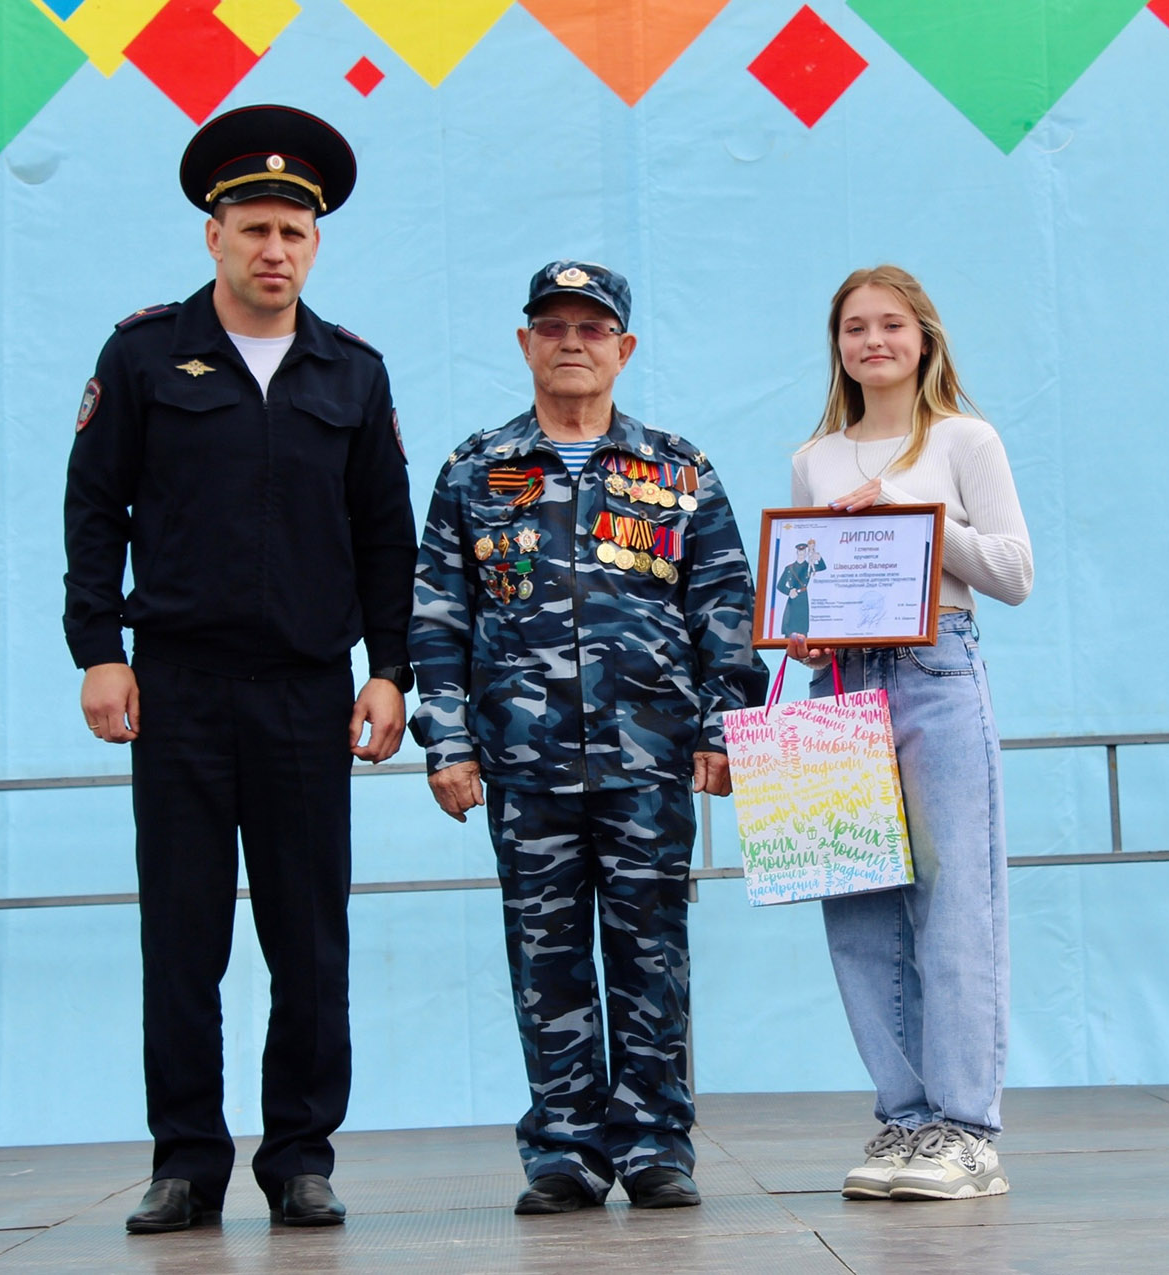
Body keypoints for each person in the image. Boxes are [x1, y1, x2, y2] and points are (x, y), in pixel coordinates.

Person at [62, 104, 415, 1232]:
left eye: (293, 233)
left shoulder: (351, 373)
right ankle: (187, 1162)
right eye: (254, 227)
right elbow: (92, 509)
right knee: (184, 934)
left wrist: (390, 669)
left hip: (307, 691)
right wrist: (98, 654)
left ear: (316, 246)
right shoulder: (144, 353)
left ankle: (300, 1156)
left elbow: (384, 539)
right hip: (177, 690)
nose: (274, 250)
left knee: (309, 938)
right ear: (212, 235)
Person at [408, 261, 767, 1215]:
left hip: (650, 760)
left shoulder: (679, 470)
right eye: (552, 325)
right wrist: (446, 742)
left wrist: (724, 725)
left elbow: (724, 605)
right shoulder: (474, 469)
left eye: (592, 327)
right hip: (523, 766)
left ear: (624, 348)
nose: (572, 341)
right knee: (546, 957)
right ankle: (564, 1149)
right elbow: (438, 618)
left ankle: (656, 1145)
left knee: (654, 953)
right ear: (524, 343)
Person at [786, 265, 1032, 1201]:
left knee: (954, 900)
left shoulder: (965, 440)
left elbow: (1013, 571)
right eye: (855, 327)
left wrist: (917, 519)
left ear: (924, 338)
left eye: (891, 324)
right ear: (838, 345)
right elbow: (809, 574)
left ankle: (967, 1128)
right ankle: (903, 1119)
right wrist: (796, 621)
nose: (872, 341)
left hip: (936, 670)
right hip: (839, 674)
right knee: (853, 901)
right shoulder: (816, 458)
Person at [777, 540, 826, 637]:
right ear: (797, 552)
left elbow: (822, 567)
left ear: (806, 553)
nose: (801, 554)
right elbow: (780, 585)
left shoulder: (809, 566)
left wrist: (819, 558)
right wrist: (789, 592)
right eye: (800, 552)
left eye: (803, 552)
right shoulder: (789, 568)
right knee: (790, 626)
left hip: (803, 598)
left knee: (802, 628)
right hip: (793, 599)